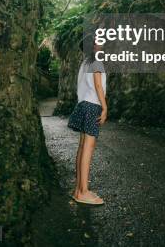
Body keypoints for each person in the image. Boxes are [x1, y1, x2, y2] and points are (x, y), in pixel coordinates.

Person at [67, 36, 107, 205]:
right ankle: (83, 191)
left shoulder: (84, 63)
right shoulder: (97, 61)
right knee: (88, 150)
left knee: (82, 148)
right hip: (92, 106)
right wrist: (104, 107)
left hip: (83, 105)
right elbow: (98, 86)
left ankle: (78, 189)